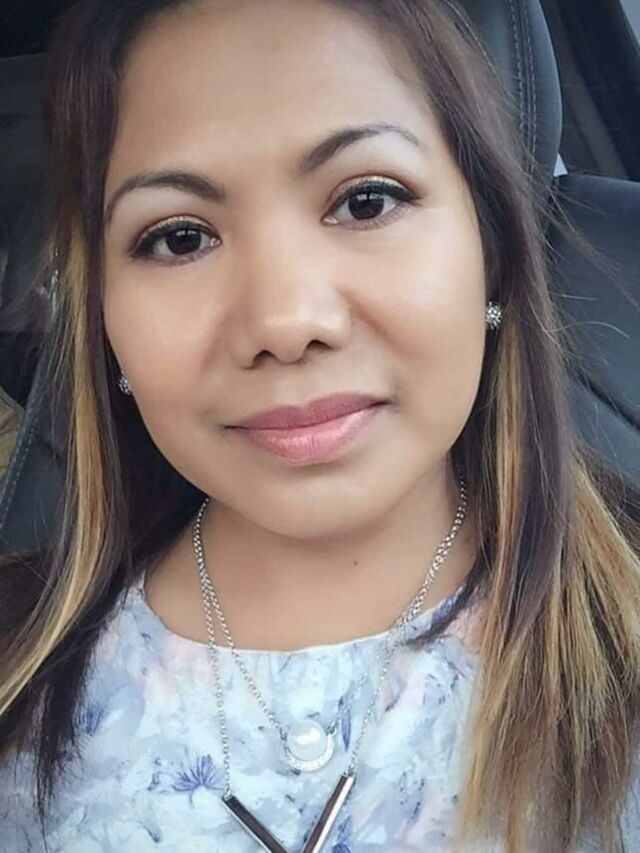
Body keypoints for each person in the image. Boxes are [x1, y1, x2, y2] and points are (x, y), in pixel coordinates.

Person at [1, 0, 639, 850]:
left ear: (492, 252)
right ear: (105, 319)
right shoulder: (20, 668)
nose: (284, 321)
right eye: (180, 238)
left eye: (367, 201)